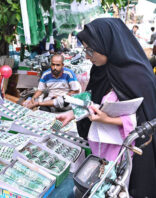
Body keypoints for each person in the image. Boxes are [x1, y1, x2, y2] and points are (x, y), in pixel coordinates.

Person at [57, 18, 156, 198]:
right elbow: (92, 99)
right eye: (85, 49)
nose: (87, 56)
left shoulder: (138, 75)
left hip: (127, 153)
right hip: (103, 148)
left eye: (90, 50)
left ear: (106, 44)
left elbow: (144, 120)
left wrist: (107, 119)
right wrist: (73, 113)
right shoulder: (101, 69)